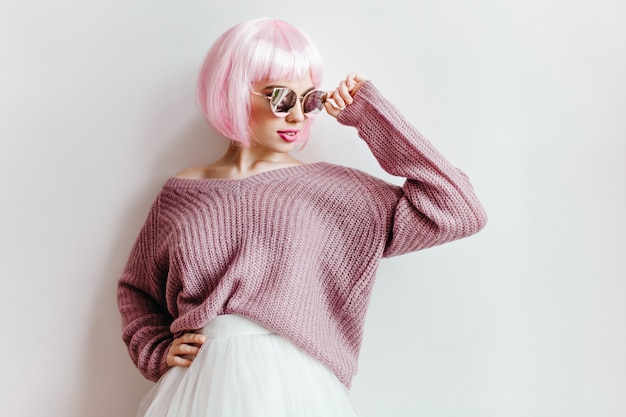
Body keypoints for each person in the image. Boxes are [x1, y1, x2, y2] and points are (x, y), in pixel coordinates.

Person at [117, 17, 487, 417]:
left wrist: (370, 116)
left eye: (309, 100)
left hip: (295, 385)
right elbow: (136, 290)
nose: (297, 116)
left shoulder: (332, 190)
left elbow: (459, 207)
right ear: (234, 92)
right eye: (281, 99)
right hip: (199, 385)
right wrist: (156, 349)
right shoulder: (181, 194)